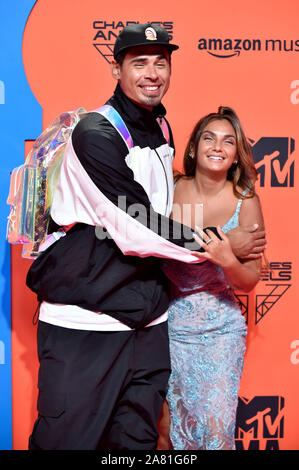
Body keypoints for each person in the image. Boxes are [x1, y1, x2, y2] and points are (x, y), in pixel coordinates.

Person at [26, 23, 265, 450]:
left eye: (161, 62)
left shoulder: (162, 128)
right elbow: (137, 225)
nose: (152, 73)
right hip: (87, 322)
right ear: (117, 69)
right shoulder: (96, 134)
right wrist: (219, 246)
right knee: (68, 440)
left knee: (137, 443)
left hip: (150, 324)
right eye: (139, 63)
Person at [159, 106, 265, 450]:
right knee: (170, 432)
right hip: (168, 328)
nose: (217, 147)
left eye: (228, 141)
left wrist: (227, 260)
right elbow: (151, 243)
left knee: (216, 433)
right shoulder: (169, 190)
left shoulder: (245, 202)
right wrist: (220, 241)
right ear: (193, 149)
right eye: (209, 138)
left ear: (236, 155)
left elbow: (248, 280)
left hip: (221, 331)